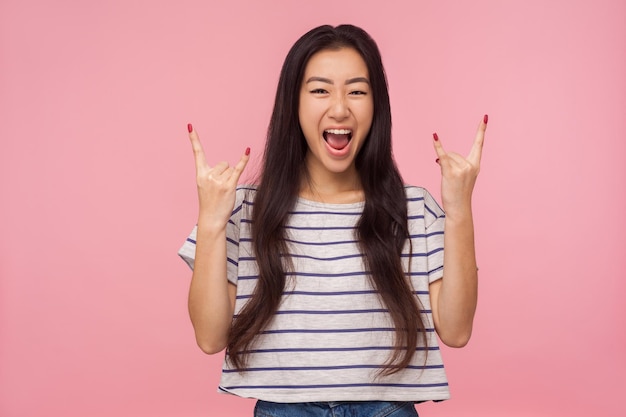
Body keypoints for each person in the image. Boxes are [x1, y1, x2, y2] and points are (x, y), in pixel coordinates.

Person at [178, 24, 486, 417]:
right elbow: (209, 337)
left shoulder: (413, 208)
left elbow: (457, 331)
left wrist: (459, 210)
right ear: (293, 104)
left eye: (357, 91)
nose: (340, 108)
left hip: (386, 410)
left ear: (377, 106)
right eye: (320, 90)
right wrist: (211, 223)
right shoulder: (244, 209)